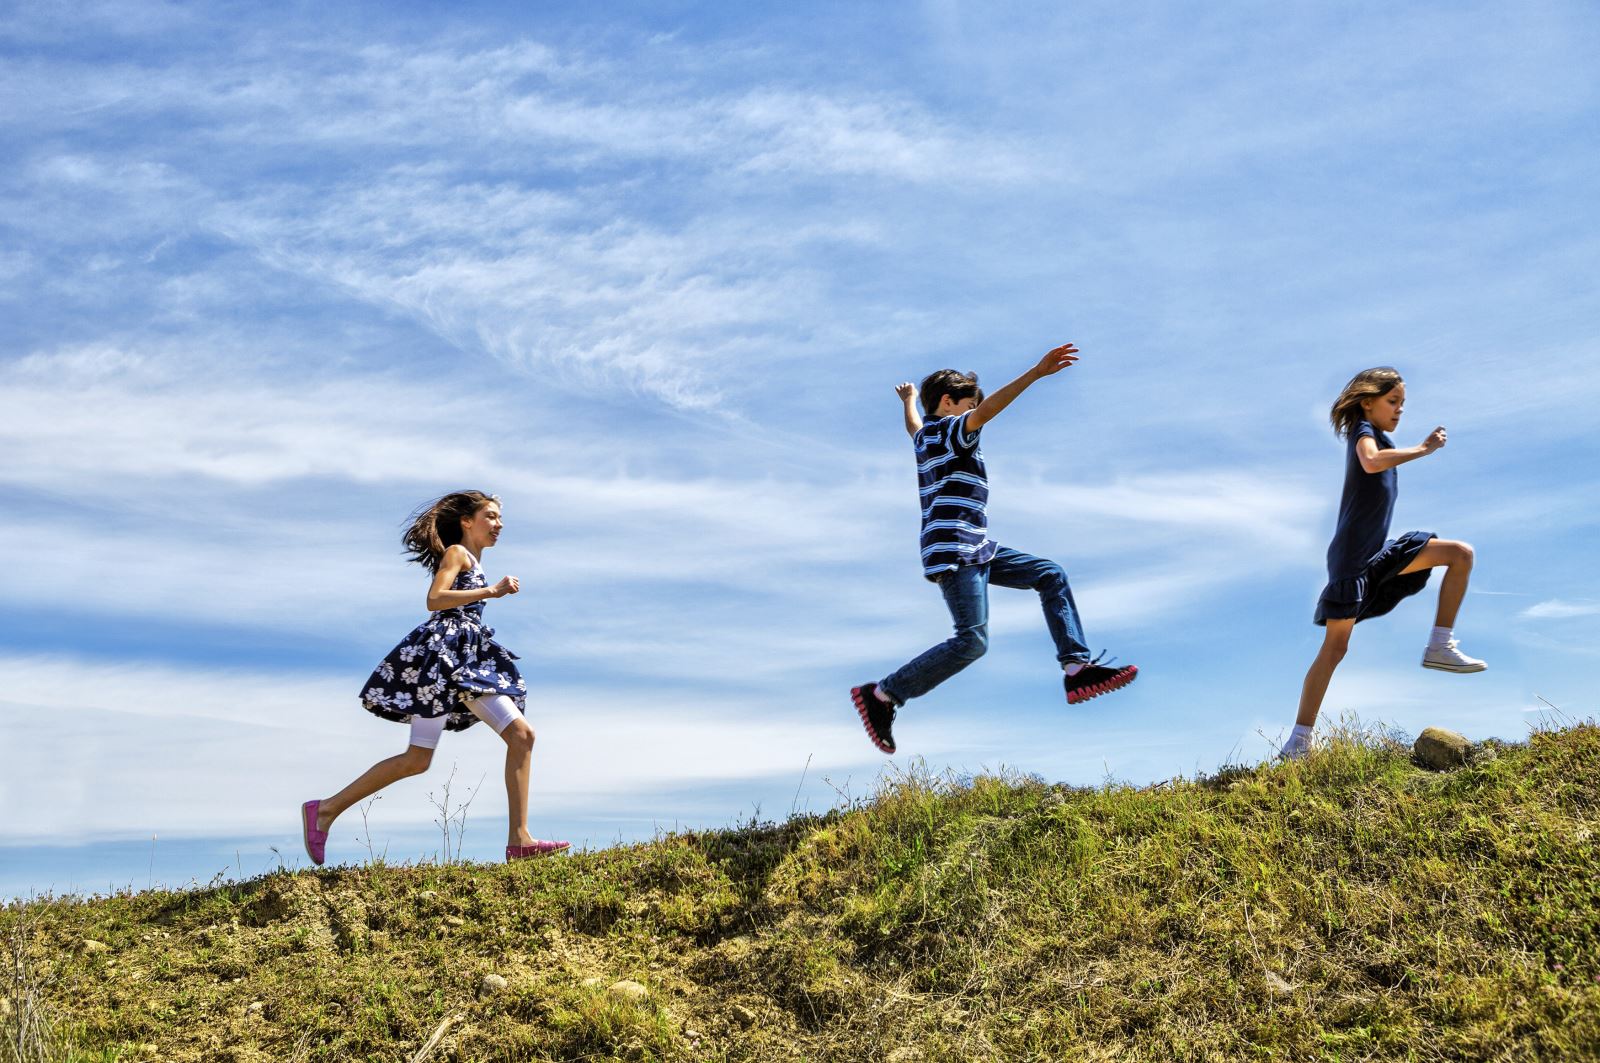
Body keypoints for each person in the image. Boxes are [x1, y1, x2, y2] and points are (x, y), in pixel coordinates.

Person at [851, 343, 1139, 754]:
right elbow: (985, 413)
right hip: (957, 550)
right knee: (972, 640)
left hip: (977, 546)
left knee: (1049, 574)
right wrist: (1035, 374)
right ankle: (882, 695)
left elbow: (913, 426)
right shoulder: (953, 431)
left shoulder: (925, 438)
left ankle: (1077, 668)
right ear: (949, 403)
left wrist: (910, 400)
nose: (974, 416)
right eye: (967, 405)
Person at [301, 491, 569, 863]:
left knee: (417, 759)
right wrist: (493, 590)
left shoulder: (474, 560)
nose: (498, 524)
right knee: (522, 735)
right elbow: (435, 598)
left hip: (458, 659)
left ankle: (326, 810)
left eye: (499, 518)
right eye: (490, 516)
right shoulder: (458, 554)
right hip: (450, 661)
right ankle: (520, 840)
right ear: (466, 521)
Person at [1283, 367, 1485, 760]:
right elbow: (1372, 462)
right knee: (1335, 648)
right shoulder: (1364, 433)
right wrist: (1424, 449)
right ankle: (1299, 741)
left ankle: (1439, 645)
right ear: (1367, 402)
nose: (1399, 410)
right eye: (1393, 402)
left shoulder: (1381, 437)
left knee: (1460, 554)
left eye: (1403, 404)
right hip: (1351, 559)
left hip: (1376, 553)